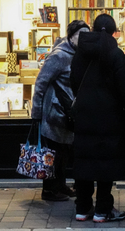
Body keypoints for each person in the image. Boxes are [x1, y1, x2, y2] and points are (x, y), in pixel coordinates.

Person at [70, 14, 125, 223]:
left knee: (84, 161)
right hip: (110, 116)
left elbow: (73, 82)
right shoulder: (116, 54)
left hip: (83, 114)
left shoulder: (80, 54)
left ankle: (82, 208)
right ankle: (103, 210)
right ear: (115, 32)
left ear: (93, 30)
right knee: (105, 164)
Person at [31, 20, 90, 201]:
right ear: (71, 36)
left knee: (63, 152)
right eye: (81, 35)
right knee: (53, 153)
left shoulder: (79, 53)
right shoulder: (59, 56)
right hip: (54, 113)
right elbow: (41, 83)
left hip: (66, 112)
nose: (84, 39)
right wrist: (37, 112)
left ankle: (61, 185)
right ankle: (49, 190)